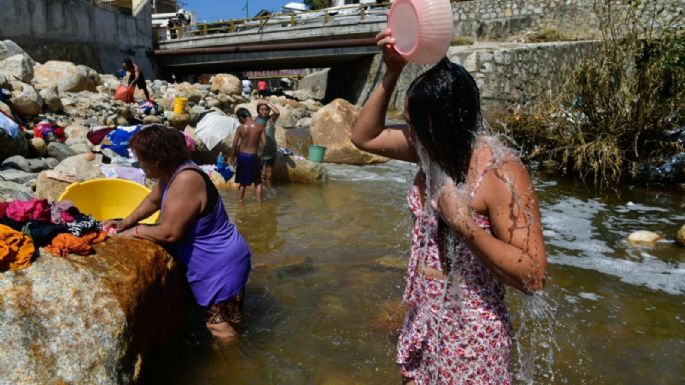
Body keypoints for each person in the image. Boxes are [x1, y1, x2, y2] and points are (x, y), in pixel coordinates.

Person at [351, 30, 547, 384]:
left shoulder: (501, 172)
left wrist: (463, 224)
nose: (407, 134)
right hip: (424, 314)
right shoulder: (429, 150)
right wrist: (392, 71)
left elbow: (533, 275)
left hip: (473, 331)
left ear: (443, 127)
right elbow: (364, 137)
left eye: (413, 126)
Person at [103, 124, 252, 344]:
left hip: (220, 263)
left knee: (220, 327)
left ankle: (235, 369)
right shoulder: (171, 172)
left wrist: (134, 231)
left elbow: (170, 233)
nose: (140, 166)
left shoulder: (186, 179)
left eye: (141, 160)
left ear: (156, 159)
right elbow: (153, 200)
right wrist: (125, 221)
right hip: (216, 260)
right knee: (229, 321)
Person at [231, 108, 266, 203]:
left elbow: (234, 144)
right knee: (258, 182)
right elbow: (265, 144)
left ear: (242, 117)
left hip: (241, 156)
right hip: (252, 156)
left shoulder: (241, 128)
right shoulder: (259, 127)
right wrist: (262, 157)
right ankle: (259, 205)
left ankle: (240, 203)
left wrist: (232, 157)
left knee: (242, 183)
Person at [256, 101, 280, 187]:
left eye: (266, 110)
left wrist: (267, 102)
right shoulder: (255, 120)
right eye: (261, 109)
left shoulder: (271, 119)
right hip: (259, 151)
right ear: (258, 110)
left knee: (269, 176)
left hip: (271, 150)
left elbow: (277, 112)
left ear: (269, 111)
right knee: (260, 175)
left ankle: (270, 193)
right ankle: (261, 193)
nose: (264, 112)